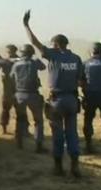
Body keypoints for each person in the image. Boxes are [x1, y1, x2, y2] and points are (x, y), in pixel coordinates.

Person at [23, 10, 83, 177]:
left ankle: (58, 167)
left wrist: (26, 25)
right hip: (72, 99)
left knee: (57, 134)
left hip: (57, 100)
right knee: (72, 133)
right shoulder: (76, 58)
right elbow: (80, 80)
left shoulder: (54, 55)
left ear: (56, 45)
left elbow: (34, 42)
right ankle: (75, 166)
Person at [10, 44, 47, 152]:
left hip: (20, 94)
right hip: (33, 95)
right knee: (38, 121)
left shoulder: (16, 64)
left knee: (20, 119)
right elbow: (43, 67)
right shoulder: (34, 62)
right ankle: (38, 146)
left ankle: (19, 143)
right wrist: (36, 59)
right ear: (31, 53)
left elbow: (11, 78)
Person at [0, 45, 29, 135]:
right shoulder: (11, 61)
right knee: (6, 110)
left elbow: (3, 62)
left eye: (10, 51)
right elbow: (0, 64)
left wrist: (1, 58)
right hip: (9, 89)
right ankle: (5, 128)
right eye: (8, 51)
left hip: (17, 89)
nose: (9, 53)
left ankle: (23, 130)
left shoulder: (18, 61)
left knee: (21, 111)